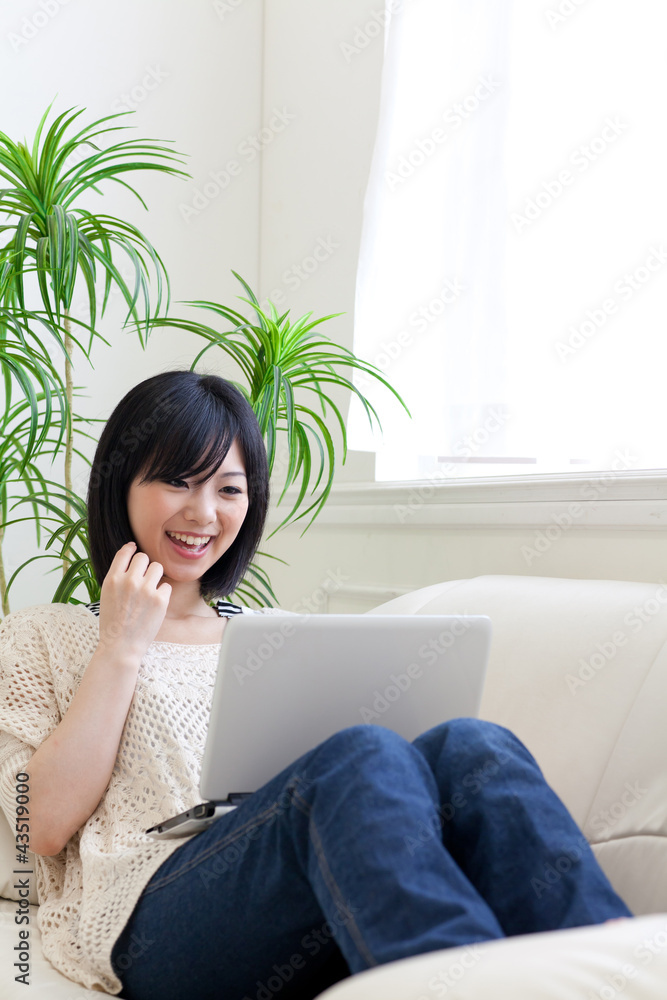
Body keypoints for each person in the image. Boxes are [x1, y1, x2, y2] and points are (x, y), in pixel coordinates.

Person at [0, 370, 632, 1000]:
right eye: (176, 481)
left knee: (477, 748)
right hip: (148, 918)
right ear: (120, 483)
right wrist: (121, 646)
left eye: (229, 489)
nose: (204, 513)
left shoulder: (276, 634)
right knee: (365, 755)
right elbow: (41, 826)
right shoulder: (44, 636)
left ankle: (622, 981)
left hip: (311, 883)